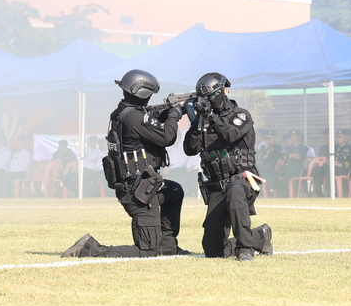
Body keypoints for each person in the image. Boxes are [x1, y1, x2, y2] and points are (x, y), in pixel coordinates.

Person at [61, 69, 188, 259]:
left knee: (174, 191)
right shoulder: (135, 117)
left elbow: (147, 125)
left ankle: (168, 246)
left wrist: (166, 112)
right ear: (142, 93)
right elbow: (167, 136)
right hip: (140, 192)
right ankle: (90, 249)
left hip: (135, 186)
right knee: (148, 253)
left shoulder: (122, 113)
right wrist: (175, 114)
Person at [183, 72, 272, 261]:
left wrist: (210, 116)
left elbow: (230, 134)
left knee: (235, 188)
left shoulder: (240, 115)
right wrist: (197, 123)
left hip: (243, 180)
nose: (209, 101)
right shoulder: (203, 120)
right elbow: (190, 150)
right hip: (217, 185)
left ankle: (245, 247)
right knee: (213, 250)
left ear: (225, 90)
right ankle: (260, 236)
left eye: (212, 97)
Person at [312, 129, 351, 197]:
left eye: (340, 136)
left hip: (342, 169)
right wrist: (331, 162)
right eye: (337, 137)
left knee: (329, 169)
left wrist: (340, 164)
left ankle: (328, 191)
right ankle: (318, 192)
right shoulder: (334, 147)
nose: (337, 138)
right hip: (330, 167)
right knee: (316, 170)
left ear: (346, 137)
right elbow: (328, 159)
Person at [275, 129, 309, 197]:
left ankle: (287, 194)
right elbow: (282, 157)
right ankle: (284, 192)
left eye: (294, 136)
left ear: (299, 138)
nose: (291, 138)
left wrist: (289, 154)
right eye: (291, 136)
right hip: (285, 169)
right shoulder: (288, 148)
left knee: (284, 179)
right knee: (270, 178)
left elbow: (299, 157)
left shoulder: (303, 148)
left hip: (296, 170)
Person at [256, 129, 282, 196]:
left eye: (269, 138)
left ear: (275, 138)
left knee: (264, 177)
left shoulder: (277, 148)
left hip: (271, 169)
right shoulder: (262, 147)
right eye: (266, 138)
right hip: (261, 168)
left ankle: (267, 194)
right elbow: (259, 157)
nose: (267, 139)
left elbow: (270, 157)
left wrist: (266, 151)